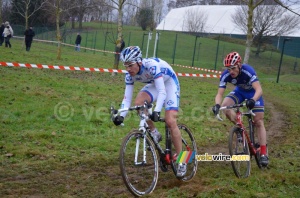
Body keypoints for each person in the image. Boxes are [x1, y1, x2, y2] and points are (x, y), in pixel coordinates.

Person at [113, 46, 187, 177]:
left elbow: (162, 91)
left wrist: (157, 110)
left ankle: (183, 161)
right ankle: (154, 132)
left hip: (169, 83)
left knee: (170, 121)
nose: (128, 69)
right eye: (125, 65)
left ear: (139, 61)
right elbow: (127, 98)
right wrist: (121, 116)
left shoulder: (152, 66)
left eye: (130, 65)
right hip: (155, 84)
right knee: (138, 104)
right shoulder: (129, 75)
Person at [212, 51, 269, 167]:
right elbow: (219, 94)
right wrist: (217, 105)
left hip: (253, 93)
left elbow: (259, 90)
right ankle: (240, 129)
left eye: (233, 68)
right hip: (240, 92)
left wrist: (253, 100)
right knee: (226, 106)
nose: (231, 72)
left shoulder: (248, 70)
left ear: (239, 65)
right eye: (228, 69)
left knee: (258, 121)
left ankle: (263, 153)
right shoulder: (225, 75)